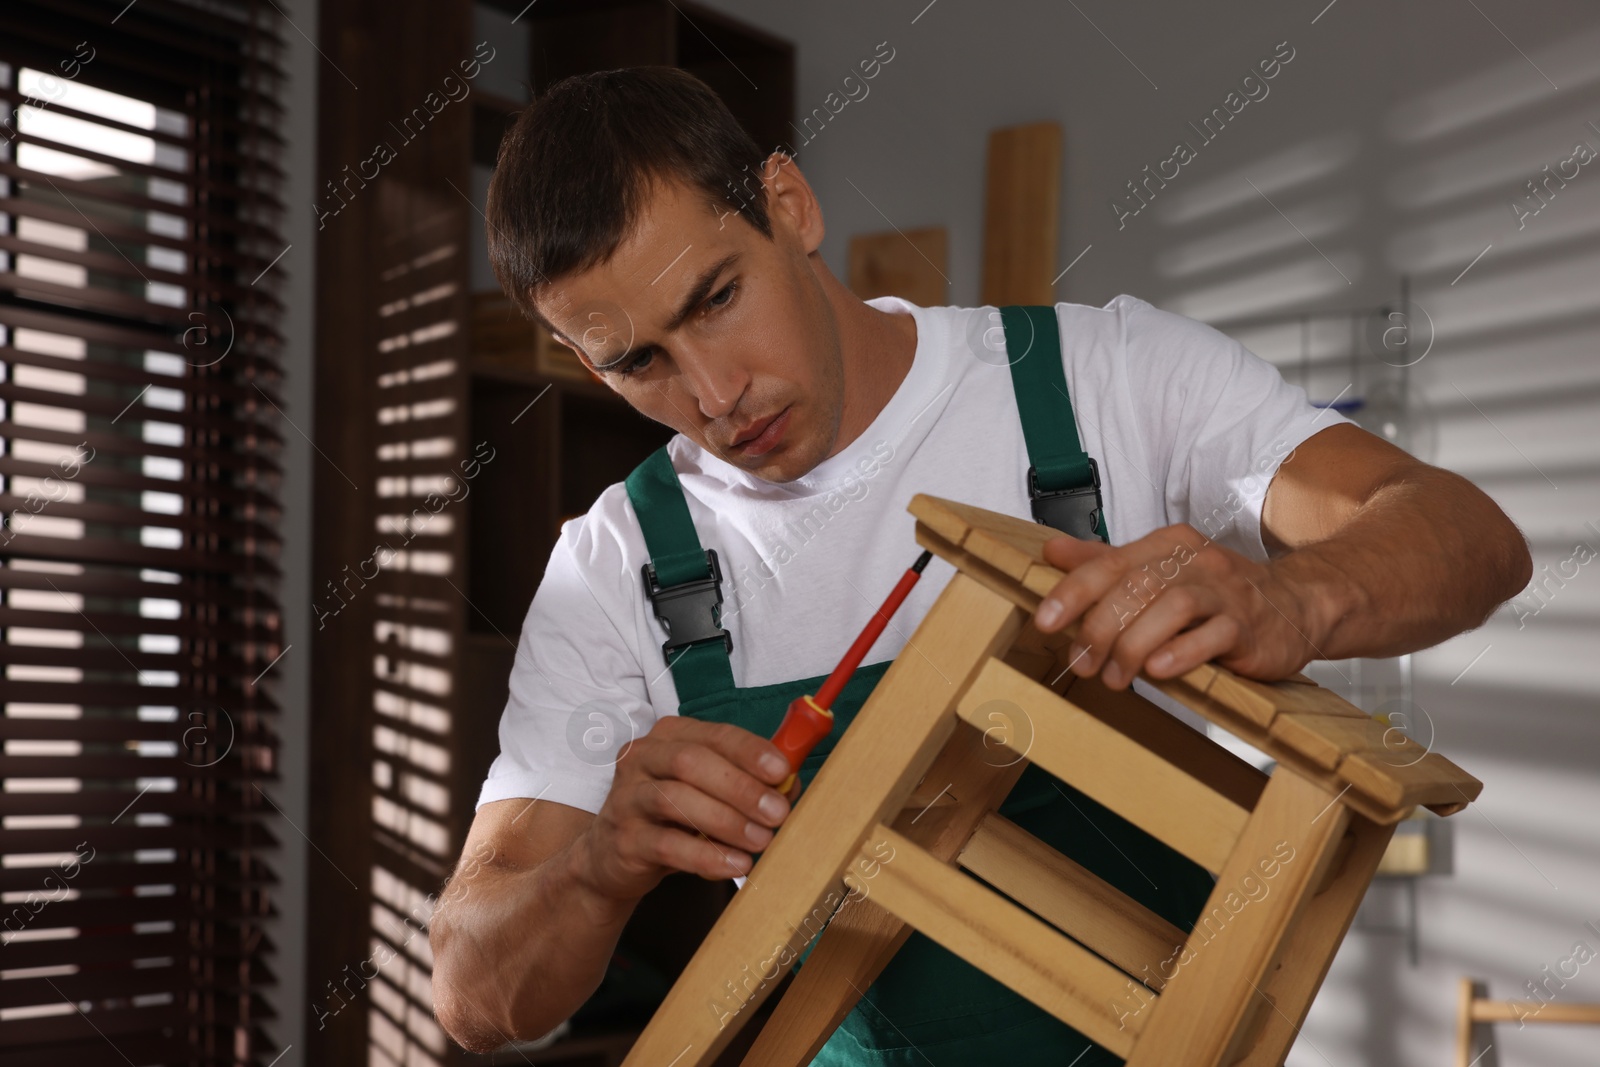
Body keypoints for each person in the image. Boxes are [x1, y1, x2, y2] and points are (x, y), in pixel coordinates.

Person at [429, 66, 1531, 1064]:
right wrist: (598, 864)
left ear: (787, 205)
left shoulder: (1109, 377)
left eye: (716, 299)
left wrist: (1296, 594)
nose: (715, 396)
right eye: (638, 362)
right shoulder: (614, 564)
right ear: (581, 360)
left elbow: (1468, 535)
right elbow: (474, 997)